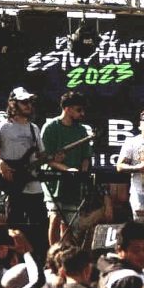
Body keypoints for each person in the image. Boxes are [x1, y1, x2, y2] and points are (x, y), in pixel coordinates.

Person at [0, 86, 48, 256]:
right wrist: (0, 164)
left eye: (30, 102)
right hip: (13, 184)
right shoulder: (3, 127)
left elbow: (41, 155)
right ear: (14, 104)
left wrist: (53, 157)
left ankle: (39, 259)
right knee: (14, 227)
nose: (28, 105)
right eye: (24, 102)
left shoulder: (34, 128)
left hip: (33, 184)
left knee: (39, 227)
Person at [42, 91, 93, 244]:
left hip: (74, 183)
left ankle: (67, 254)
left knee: (70, 224)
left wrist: (82, 175)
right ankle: (53, 256)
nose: (81, 114)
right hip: (54, 183)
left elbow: (86, 157)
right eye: (78, 110)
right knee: (55, 217)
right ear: (67, 108)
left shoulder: (81, 130)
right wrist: (66, 169)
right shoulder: (50, 127)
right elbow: (47, 159)